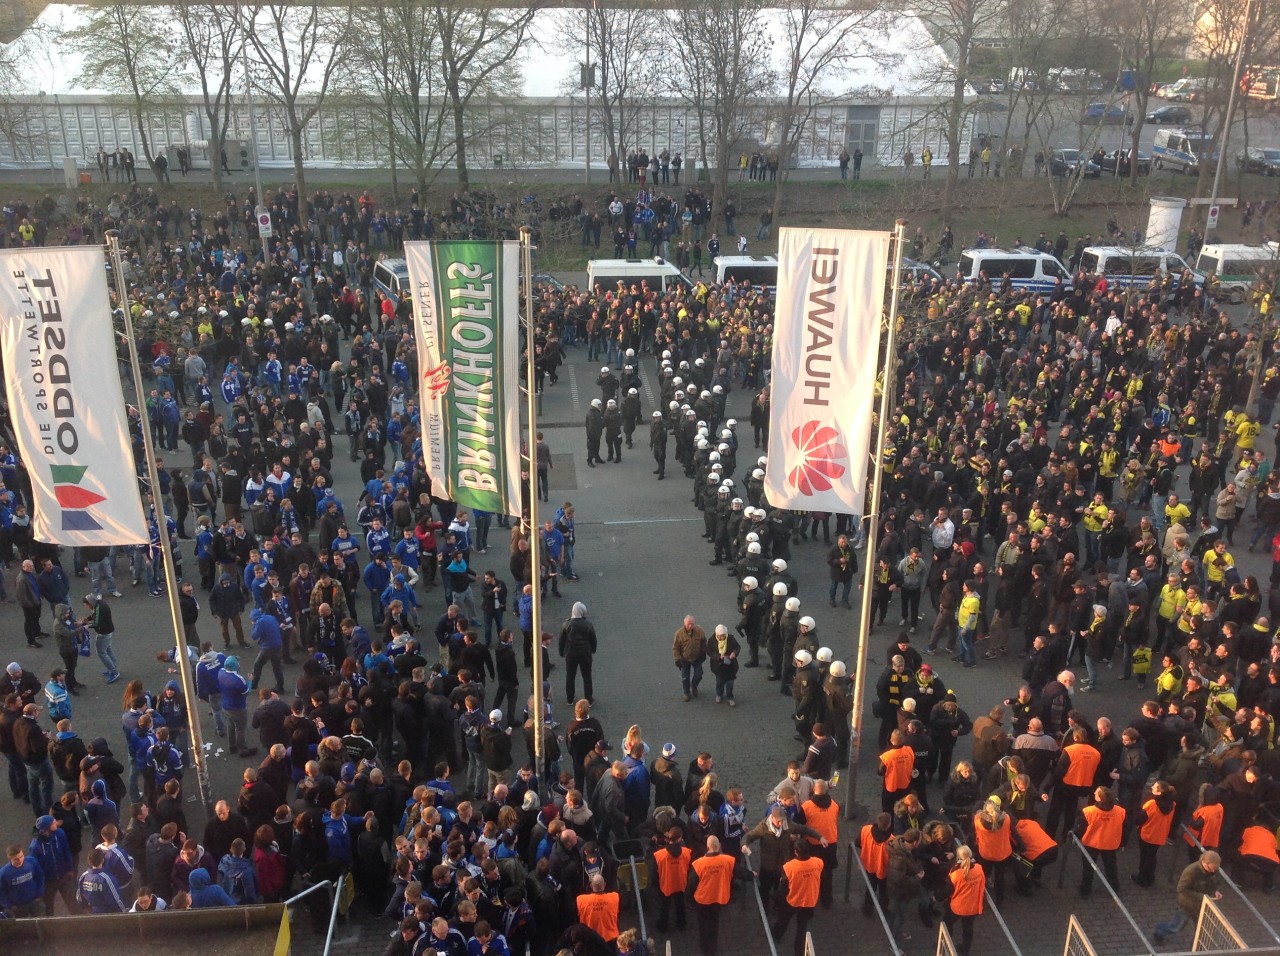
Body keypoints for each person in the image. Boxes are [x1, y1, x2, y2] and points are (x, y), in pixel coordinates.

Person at [1154, 851, 1222, 943]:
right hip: (1186, 906)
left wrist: (1215, 891)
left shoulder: (1213, 869)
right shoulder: (1191, 871)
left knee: (1200, 929)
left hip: (1201, 906)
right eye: (1212, 869)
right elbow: (1181, 889)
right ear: (1205, 863)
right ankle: (1159, 932)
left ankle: (1196, 948)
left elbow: (1214, 882)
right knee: (1176, 927)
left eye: (1215, 869)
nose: (1214, 871)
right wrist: (1203, 897)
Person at [772, 840, 823, 956]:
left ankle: (776, 935)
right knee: (802, 928)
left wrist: (777, 898)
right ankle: (799, 952)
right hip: (809, 901)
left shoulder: (789, 867)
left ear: (795, 852)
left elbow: (783, 887)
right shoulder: (818, 862)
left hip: (792, 900)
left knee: (783, 919)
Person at [689, 835, 734, 955]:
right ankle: (712, 947)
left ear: (707, 847)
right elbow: (739, 871)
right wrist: (751, 874)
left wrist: (689, 900)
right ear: (719, 846)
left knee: (703, 924)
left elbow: (691, 884)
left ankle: (704, 946)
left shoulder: (699, 864)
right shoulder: (727, 860)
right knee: (714, 924)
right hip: (718, 898)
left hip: (702, 900)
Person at [944, 845, 984, 956]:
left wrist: (937, 897)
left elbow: (948, 890)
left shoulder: (956, 873)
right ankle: (965, 949)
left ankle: (946, 942)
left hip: (958, 907)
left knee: (948, 923)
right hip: (973, 907)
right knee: (968, 929)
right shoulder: (979, 869)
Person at [559, 602, 597, 704]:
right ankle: (588, 699)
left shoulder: (567, 624)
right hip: (585, 653)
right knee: (587, 676)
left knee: (570, 676)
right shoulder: (588, 624)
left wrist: (561, 652)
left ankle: (570, 698)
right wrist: (593, 649)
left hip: (571, 654)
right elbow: (593, 639)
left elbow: (561, 640)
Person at [673, 615, 707, 702]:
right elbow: (676, 648)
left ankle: (694, 686)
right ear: (684, 624)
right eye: (688, 624)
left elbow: (704, 641)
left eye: (692, 624)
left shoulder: (699, 631)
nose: (690, 626)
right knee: (685, 677)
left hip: (697, 658)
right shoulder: (679, 634)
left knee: (699, 675)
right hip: (685, 659)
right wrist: (677, 659)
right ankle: (686, 693)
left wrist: (703, 652)